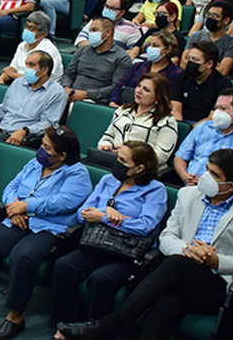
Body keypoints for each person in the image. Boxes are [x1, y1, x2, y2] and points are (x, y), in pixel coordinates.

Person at [57, 149, 233, 340]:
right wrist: (189, 252)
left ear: (231, 185)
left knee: (176, 264)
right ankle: (103, 327)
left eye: (214, 175)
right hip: (179, 275)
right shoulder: (188, 195)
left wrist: (216, 260)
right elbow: (167, 237)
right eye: (207, 169)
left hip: (218, 283)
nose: (205, 176)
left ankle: (106, 325)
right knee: (165, 304)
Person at [0, 126, 91, 340]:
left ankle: (15, 316)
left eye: (47, 147)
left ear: (62, 155)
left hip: (50, 227)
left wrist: (27, 206)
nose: (41, 150)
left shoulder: (77, 173)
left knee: (23, 255)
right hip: (18, 219)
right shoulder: (35, 163)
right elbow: (12, 187)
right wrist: (12, 207)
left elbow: (65, 202)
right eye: (42, 144)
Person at [49, 141, 168, 333]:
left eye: (123, 161)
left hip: (126, 252)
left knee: (100, 279)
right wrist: (108, 212)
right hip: (96, 243)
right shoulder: (108, 181)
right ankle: (62, 327)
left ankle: (95, 333)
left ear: (140, 168)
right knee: (64, 266)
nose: (117, 163)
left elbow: (146, 226)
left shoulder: (155, 190)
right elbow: (82, 213)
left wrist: (104, 218)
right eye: (118, 157)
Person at [0, 51, 67, 153]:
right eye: (26, 64)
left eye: (32, 65)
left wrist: (25, 130)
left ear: (44, 70)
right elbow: (2, 110)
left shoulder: (57, 93)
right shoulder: (18, 83)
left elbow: (48, 124)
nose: (27, 69)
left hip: (19, 142)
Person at [173, 89, 233, 188]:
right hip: (190, 187)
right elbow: (180, 157)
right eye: (216, 108)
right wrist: (184, 175)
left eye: (223, 108)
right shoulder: (203, 127)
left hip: (226, 193)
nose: (217, 113)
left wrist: (221, 185)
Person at [100, 73, 179, 168]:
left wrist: (129, 157)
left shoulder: (166, 121)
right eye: (139, 86)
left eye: (146, 90)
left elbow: (161, 156)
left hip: (142, 170)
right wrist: (106, 146)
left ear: (157, 97)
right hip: (112, 161)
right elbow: (108, 136)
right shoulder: (122, 111)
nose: (139, 91)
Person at [63, 17, 133, 105]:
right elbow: (68, 74)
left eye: (95, 30)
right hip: (70, 94)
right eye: (90, 30)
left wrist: (86, 94)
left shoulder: (122, 58)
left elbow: (115, 87)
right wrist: (66, 88)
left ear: (108, 32)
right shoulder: (83, 50)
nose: (91, 34)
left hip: (95, 101)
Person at [110, 31, 181, 105]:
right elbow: (119, 85)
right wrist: (113, 102)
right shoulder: (138, 66)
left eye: (155, 45)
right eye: (149, 45)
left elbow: (167, 101)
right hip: (125, 107)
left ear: (168, 49)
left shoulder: (175, 75)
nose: (150, 48)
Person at [170, 40, 231, 124]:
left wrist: (192, 130)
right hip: (183, 122)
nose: (190, 63)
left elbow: (213, 117)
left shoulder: (224, 85)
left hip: (206, 126)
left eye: (195, 60)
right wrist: (180, 127)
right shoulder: (182, 77)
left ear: (209, 64)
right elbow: (175, 107)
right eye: (189, 58)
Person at [0, 11, 63, 85]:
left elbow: (39, 78)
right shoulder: (22, 45)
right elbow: (12, 68)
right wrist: (1, 78)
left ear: (43, 33)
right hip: (20, 84)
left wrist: (13, 75)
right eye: (26, 26)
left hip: (43, 89)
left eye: (32, 28)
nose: (27, 30)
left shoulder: (49, 50)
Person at [182, 1, 233, 77]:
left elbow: (222, 72)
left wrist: (194, 64)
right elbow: (183, 64)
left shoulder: (231, 43)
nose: (210, 18)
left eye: (215, 16)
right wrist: (213, 66)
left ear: (226, 20)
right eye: (208, 14)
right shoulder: (196, 36)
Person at [76, 0, 143, 52]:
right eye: (106, 6)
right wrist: (95, 52)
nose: (107, 10)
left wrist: (109, 55)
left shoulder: (132, 29)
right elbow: (79, 40)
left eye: (112, 8)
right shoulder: (95, 21)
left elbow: (133, 52)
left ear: (121, 12)